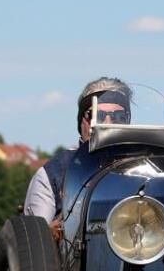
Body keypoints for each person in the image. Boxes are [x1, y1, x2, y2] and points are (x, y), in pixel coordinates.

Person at [24, 76, 131, 224]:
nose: (107, 124)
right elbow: (36, 239)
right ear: (82, 122)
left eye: (118, 117)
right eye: (95, 116)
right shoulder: (53, 174)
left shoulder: (147, 169)